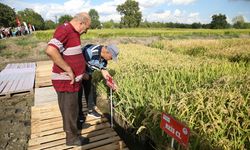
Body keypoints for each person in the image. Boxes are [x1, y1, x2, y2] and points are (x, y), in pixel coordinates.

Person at [45, 12, 91, 146]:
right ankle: (71, 138)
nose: (86, 31)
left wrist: (82, 72)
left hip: (73, 80)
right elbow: (50, 50)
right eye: (86, 28)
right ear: (81, 23)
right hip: (65, 80)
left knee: (74, 106)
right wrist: (68, 69)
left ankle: (74, 127)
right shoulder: (65, 30)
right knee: (69, 108)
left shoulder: (74, 32)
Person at [80, 44, 119, 119]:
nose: (111, 59)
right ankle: (79, 115)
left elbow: (103, 70)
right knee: (78, 93)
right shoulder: (90, 51)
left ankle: (90, 111)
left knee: (89, 90)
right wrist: (83, 73)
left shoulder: (104, 59)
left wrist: (110, 81)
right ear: (107, 52)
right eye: (111, 57)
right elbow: (77, 61)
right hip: (77, 72)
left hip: (88, 73)